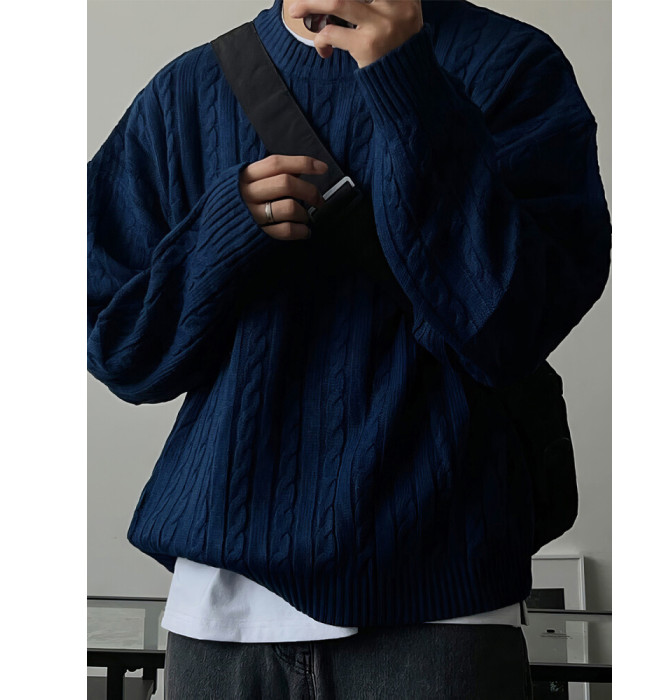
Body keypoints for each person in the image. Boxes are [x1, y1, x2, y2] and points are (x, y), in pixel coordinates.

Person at [87, 0, 611, 696]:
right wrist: (222, 234)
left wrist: (408, 85)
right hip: (221, 613)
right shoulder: (188, 90)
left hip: (440, 610)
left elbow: (513, 325)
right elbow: (118, 348)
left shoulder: (510, 66)